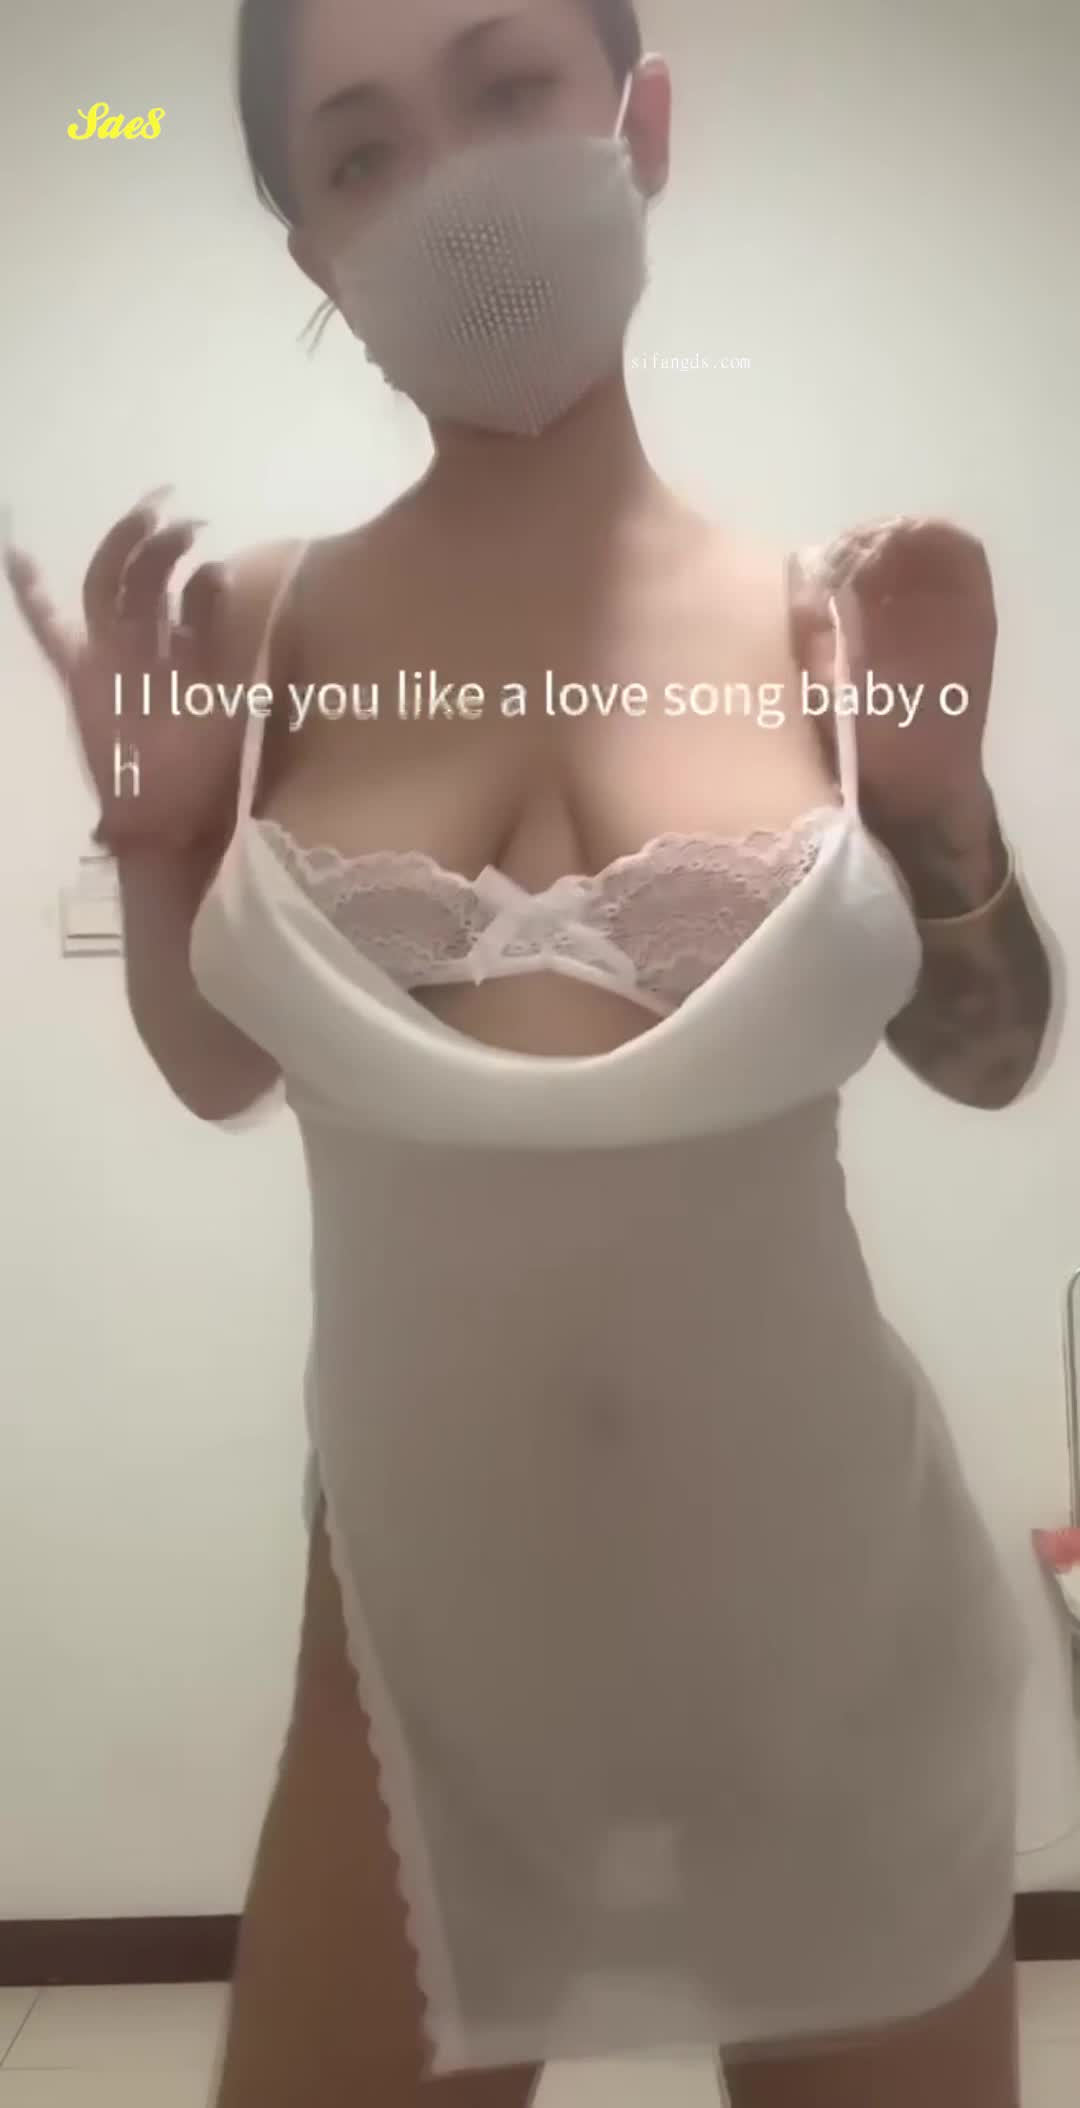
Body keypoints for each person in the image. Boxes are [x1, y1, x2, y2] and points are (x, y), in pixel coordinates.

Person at [6, 2, 1056, 2103]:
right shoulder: (255, 632)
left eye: (507, 89)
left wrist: (938, 789)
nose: (451, 186)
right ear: (312, 249)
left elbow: (991, 1052)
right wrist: (156, 828)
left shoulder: (830, 622)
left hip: (831, 1629)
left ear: (640, 122)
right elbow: (217, 1072)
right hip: (415, 1658)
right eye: (361, 153)